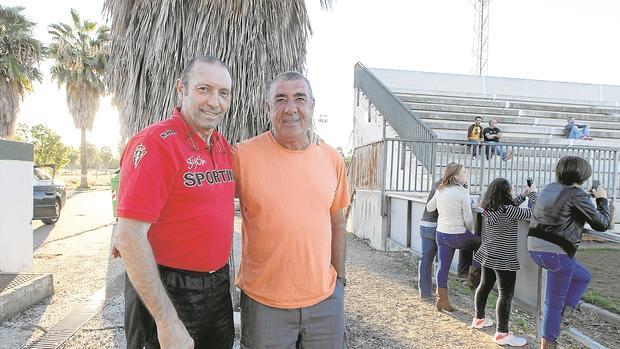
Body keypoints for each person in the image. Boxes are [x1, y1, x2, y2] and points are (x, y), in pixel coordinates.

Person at [113, 55, 235, 349]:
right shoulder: (156, 144)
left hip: (217, 287)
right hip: (166, 287)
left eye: (223, 93)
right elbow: (129, 236)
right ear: (181, 90)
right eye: (204, 89)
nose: (214, 102)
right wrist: (167, 322)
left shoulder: (221, 146)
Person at [233, 71, 350, 348]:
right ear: (268, 108)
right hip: (264, 303)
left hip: (325, 301)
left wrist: (340, 281)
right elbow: (205, 200)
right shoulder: (242, 156)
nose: (290, 108)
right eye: (280, 99)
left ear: (312, 105)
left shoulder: (331, 158)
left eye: (299, 98)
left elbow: (338, 222)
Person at [528, 156, 612, 348]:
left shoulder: (550, 187)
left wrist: (587, 197)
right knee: (553, 303)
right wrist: (602, 199)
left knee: (583, 276)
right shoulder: (576, 194)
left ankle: (564, 316)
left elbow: (565, 204)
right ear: (582, 174)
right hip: (556, 252)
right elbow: (602, 224)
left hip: (535, 248)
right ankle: (549, 342)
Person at [472, 178, 537, 347]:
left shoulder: (490, 208)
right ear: (505, 193)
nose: (514, 191)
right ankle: (502, 333)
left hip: (488, 253)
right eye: (512, 189)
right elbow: (534, 213)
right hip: (504, 258)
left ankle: (478, 319)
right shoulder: (508, 210)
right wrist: (534, 194)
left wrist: (523, 196)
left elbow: (510, 208)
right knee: (505, 294)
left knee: (485, 285)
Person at [426, 162, 481, 312]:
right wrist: (470, 233)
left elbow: (430, 208)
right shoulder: (462, 192)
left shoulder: (440, 190)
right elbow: (469, 219)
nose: (467, 174)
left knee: (443, 267)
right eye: (464, 172)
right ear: (456, 176)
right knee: (481, 244)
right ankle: (472, 277)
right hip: (457, 234)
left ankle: (441, 300)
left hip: (441, 234)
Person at [418, 180, 441, 300]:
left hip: (424, 223)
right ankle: (442, 295)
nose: (466, 175)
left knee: (425, 259)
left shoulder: (438, 183)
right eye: (464, 173)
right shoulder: (448, 186)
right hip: (437, 226)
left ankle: (424, 292)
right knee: (442, 261)